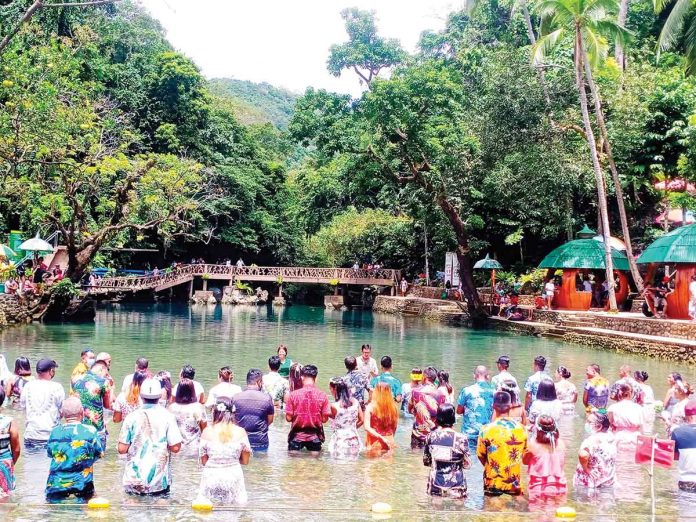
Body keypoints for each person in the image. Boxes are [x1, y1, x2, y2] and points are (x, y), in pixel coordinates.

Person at [118, 378, 182, 495]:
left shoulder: (131, 417)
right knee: (160, 510)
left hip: (134, 477)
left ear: (141, 397)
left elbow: (122, 449)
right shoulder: (168, 416)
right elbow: (176, 448)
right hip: (158, 478)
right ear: (159, 397)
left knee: (132, 510)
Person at [45, 397, 103, 503]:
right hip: (82, 486)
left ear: (62, 413)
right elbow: (99, 453)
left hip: (55, 486)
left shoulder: (55, 432)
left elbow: (50, 453)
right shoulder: (90, 431)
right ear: (82, 412)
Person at [198, 397, 251, 505]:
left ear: (215, 412)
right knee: (233, 512)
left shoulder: (207, 432)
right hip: (233, 476)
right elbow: (245, 461)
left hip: (212, 476)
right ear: (233, 412)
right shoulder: (241, 432)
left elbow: (204, 461)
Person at [477, 391, 527, 496]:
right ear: (511, 406)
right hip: (514, 482)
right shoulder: (522, 429)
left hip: (492, 482)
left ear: (493, 406)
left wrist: (493, 467)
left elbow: (481, 455)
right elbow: (525, 455)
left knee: (491, 509)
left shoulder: (485, 430)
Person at [423, 403, 470, 499]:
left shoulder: (430, 436)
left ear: (438, 418)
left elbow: (426, 462)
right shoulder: (461, 438)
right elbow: (467, 465)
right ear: (453, 419)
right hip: (457, 485)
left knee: (435, 510)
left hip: (436, 484)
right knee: (458, 510)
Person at [285, 364, 331, 453]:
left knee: (293, 464)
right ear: (316, 378)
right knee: (315, 464)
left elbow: (288, 418)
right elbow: (325, 419)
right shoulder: (323, 395)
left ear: (302, 377)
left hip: (296, 436)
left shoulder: (293, 395)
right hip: (315, 436)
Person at [20, 358, 65, 448]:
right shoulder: (57, 387)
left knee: (31, 461)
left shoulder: (28, 386)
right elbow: (63, 411)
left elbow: (23, 406)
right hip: (50, 436)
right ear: (51, 371)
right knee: (48, 462)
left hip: (30, 434)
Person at [71, 360, 112, 450]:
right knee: (99, 459)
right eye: (106, 372)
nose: (106, 375)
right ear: (102, 369)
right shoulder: (104, 382)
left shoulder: (75, 379)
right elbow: (107, 405)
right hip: (96, 428)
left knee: (81, 457)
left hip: (79, 426)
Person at [523, 415, 566, 499]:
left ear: (537, 430)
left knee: (538, 512)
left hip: (538, 489)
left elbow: (524, 461)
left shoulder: (532, 445)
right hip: (560, 488)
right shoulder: (561, 444)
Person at [231, 369, 275, 451]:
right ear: (259, 382)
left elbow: (233, 420)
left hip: (240, 440)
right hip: (260, 441)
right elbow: (270, 420)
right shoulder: (267, 398)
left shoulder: (236, 397)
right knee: (261, 463)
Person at [573, 412, 616, 489]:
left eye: (589, 422)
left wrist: (586, 469)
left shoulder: (590, 441)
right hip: (608, 479)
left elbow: (583, 455)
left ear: (599, 426)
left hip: (591, 481)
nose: (586, 424)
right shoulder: (611, 437)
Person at [456, 365, 495, 452]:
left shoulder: (466, 390)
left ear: (474, 375)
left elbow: (458, 411)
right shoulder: (494, 391)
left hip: (469, 433)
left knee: (469, 460)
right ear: (488, 376)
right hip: (486, 433)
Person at [409, 366, 446, 449]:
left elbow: (409, 409)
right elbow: (442, 416)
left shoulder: (415, 391)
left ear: (424, 377)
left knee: (414, 457)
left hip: (418, 433)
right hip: (433, 433)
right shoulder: (441, 395)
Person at [327, 377, 363, 459]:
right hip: (354, 438)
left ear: (334, 389)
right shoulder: (355, 402)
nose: (330, 390)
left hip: (340, 439)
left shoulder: (334, 406)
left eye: (330, 388)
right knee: (352, 465)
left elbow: (328, 417)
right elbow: (362, 420)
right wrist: (352, 429)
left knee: (339, 465)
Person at [168, 378, 207, 452]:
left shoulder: (172, 408)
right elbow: (204, 428)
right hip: (195, 446)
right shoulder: (198, 407)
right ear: (192, 391)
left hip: (177, 446)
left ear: (178, 391)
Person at [364, 382, 398, 456]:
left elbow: (367, 427)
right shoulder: (394, 407)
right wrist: (389, 439)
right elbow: (394, 427)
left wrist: (381, 438)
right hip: (389, 441)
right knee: (387, 467)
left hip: (375, 441)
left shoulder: (371, 407)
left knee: (372, 466)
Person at [607, 383, 644, 451]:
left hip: (619, 438)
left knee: (620, 460)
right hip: (635, 439)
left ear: (619, 393)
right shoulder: (639, 408)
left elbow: (609, 425)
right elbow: (642, 427)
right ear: (631, 393)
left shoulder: (613, 408)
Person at [671, 399, 696, 492]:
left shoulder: (677, 432)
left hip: (686, 481)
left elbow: (674, 456)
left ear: (685, 416)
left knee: (686, 505)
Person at [0, 387, 20, 498]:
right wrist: (10, 464)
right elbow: (16, 449)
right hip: (4, 463)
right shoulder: (9, 422)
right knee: (5, 497)